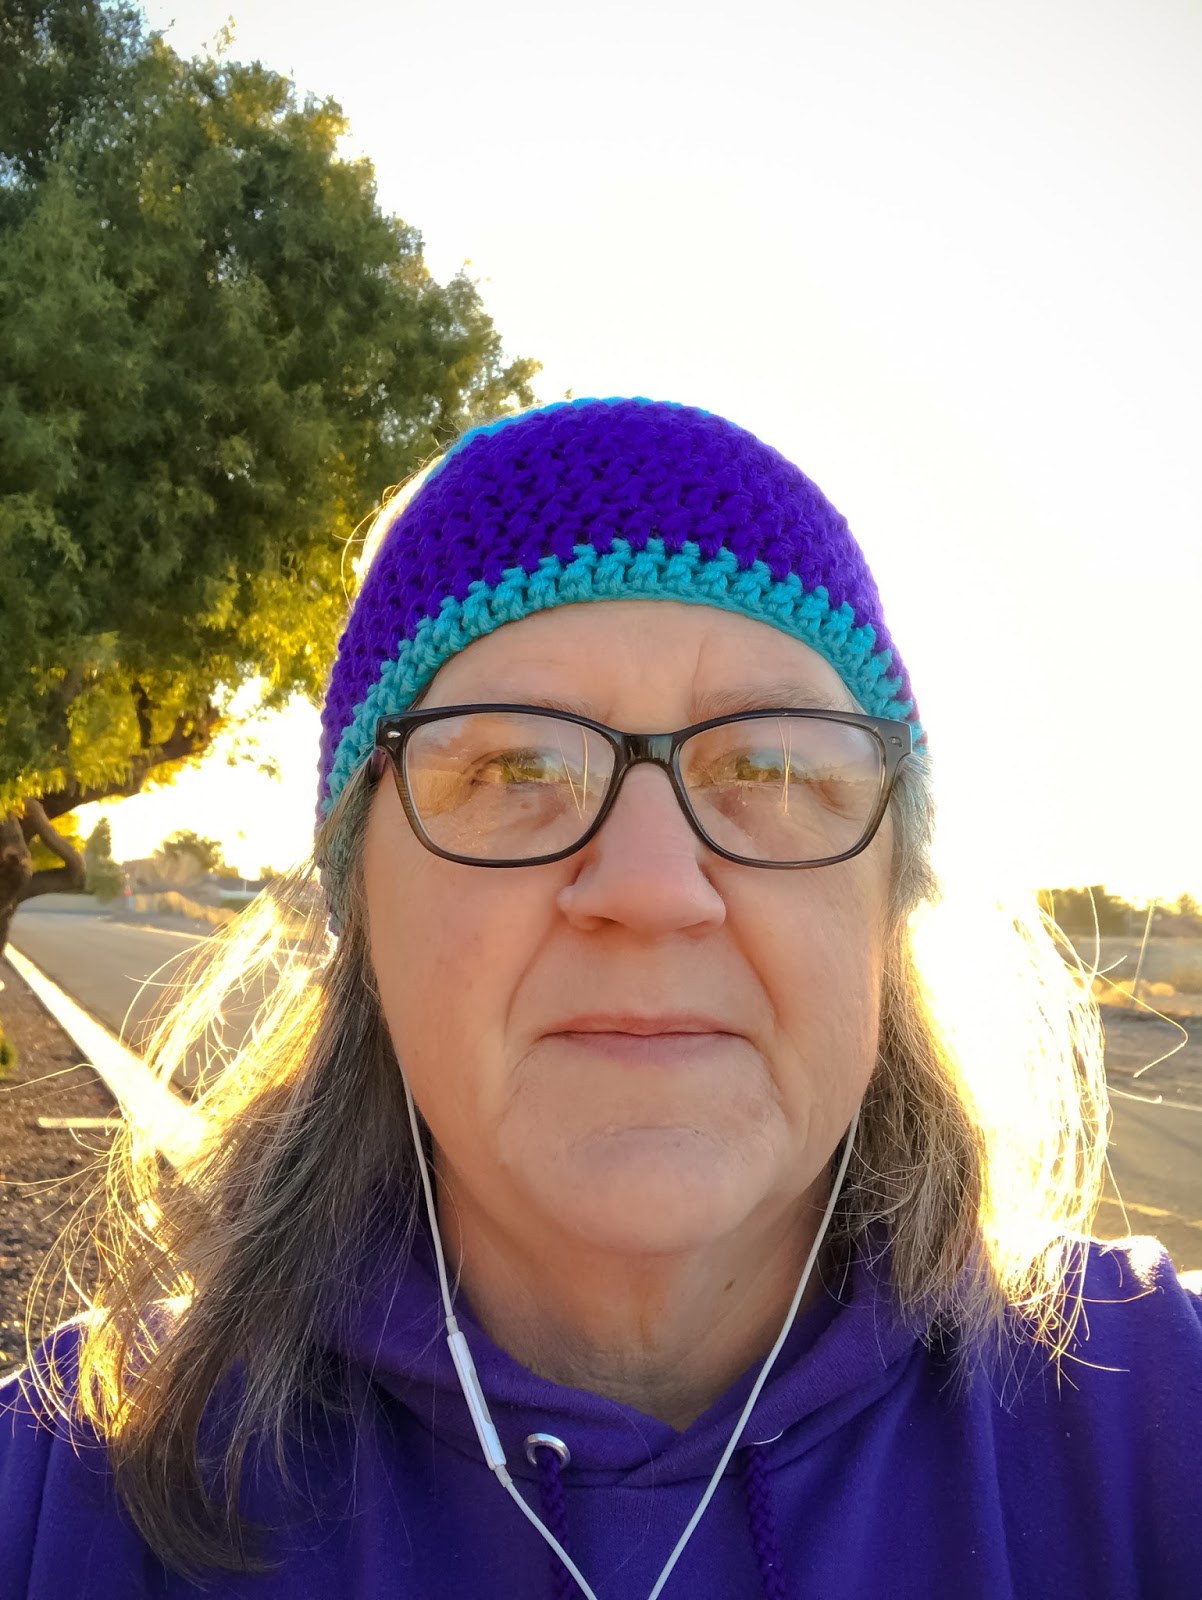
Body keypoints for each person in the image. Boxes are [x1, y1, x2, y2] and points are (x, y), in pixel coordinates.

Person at [1, 397, 1199, 1600]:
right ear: (356, 907)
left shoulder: (1152, 1414)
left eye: (773, 766)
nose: (650, 887)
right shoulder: (67, 1487)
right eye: (513, 765)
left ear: (891, 900)